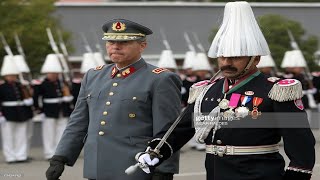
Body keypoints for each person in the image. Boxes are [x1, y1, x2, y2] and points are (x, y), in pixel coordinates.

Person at [137, 2, 315, 180]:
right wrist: (156, 152)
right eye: (222, 57)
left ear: (255, 59)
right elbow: (181, 129)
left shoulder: (276, 90)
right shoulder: (207, 90)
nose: (226, 63)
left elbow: (301, 145)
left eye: (235, 57)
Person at [45, 18, 182, 180]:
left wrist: (165, 169)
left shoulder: (160, 79)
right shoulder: (93, 76)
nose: (115, 46)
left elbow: (167, 130)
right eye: (110, 42)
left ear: (142, 46)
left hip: (135, 169)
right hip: (96, 167)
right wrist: (61, 156)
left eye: (124, 42)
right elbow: (78, 122)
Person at [33, 54, 74, 160]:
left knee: (62, 132)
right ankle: (49, 153)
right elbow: (37, 98)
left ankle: (59, 153)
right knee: (49, 133)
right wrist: (39, 110)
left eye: (56, 73)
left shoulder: (62, 83)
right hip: (49, 111)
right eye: (52, 73)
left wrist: (68, 98)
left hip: (62, 111)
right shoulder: (42, 84)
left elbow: (70, 93)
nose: (54, 75)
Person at [0, 55, 34, 163]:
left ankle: (21, 155)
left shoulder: (20, 85)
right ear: (5, 76)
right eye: (10, 75)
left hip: (21, 113)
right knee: (8, 136)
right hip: (7, 113)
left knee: (21, 135)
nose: (12, 77)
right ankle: (10, 157)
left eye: (14, 75)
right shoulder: (2, 87)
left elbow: (26, 96)